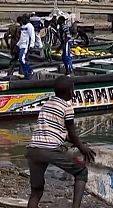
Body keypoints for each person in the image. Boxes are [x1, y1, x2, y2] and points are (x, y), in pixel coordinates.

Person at [26, 76, 95, 208]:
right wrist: (82, 148)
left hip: (33, 150)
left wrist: (75, 141)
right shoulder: (67, 107)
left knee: (36, 191)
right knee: (81, 172)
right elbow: (72, 133)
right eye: (73, 89)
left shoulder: (46, 105)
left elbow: (56, 131)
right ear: (70, 92)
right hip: (50, 150)